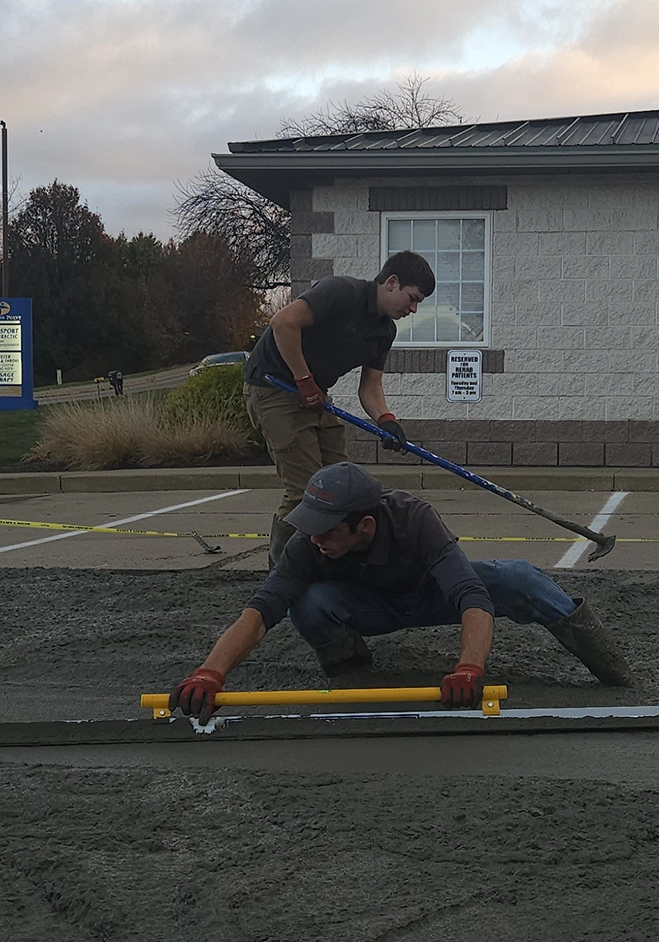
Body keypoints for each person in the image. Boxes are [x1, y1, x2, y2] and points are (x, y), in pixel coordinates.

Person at [169, 462, 634, 718]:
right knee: (308, 604)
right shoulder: (307, 543)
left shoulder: (414, 518)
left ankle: (612, 669)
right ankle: (355, 676)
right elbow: (259, 612)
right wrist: (210, 674)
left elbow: (470, 595)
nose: (314, 538)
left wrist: (469, 669)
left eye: (327, 530)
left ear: (365, 525)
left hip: (431, 596)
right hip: (367, 607)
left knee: (519, 576)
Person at [242, 251, 434, 565]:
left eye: (418, 303)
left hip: (314, 392)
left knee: (341, 489)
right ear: (391, 282)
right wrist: (304, 381)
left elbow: (370, 387)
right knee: (308, 491)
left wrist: (387, 420)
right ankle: (282, 573)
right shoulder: (342, 292)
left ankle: (334, 568)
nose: (413, 309)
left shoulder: (385, 331)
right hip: (274, 386)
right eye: (412, 298)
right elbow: (283, 323)